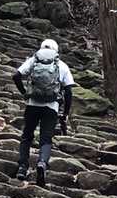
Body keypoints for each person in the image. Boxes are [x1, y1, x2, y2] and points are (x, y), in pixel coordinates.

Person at [13, 38, 74, 184]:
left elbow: (16, 76)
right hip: (51, 107)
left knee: (27, 136)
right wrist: (65, 113)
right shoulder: (61, 65)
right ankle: (42, 163)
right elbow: (69, 91)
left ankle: (22, 167)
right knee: (46, 138)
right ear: (56, 50)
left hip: (32, 104)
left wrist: (25, 93)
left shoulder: (33, 60)